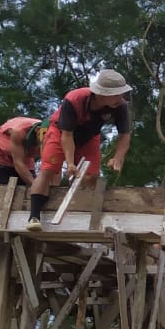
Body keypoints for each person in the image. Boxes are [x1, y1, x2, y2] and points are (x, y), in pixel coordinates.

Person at [26, 70, 133, 232]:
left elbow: (125, 135)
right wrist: (70, 163)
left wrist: (118, 157)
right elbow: (67, 135)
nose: (120, 98)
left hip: (89, 136)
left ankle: (79, 205)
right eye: (116, 94)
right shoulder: (74, 99)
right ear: (102, 93)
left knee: (91, 175)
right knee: (48, 170)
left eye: (121, 94)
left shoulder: (120, 106)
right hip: (61, 132)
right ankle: (34, 216)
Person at [0, 117, 41, 186]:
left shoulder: (52, 138)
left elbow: (50, 167)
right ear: (38, 131)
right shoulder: (19, 131)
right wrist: (35, 187)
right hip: (0, 157)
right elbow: (18, 162)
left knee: (29, 193)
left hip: (25, 160)